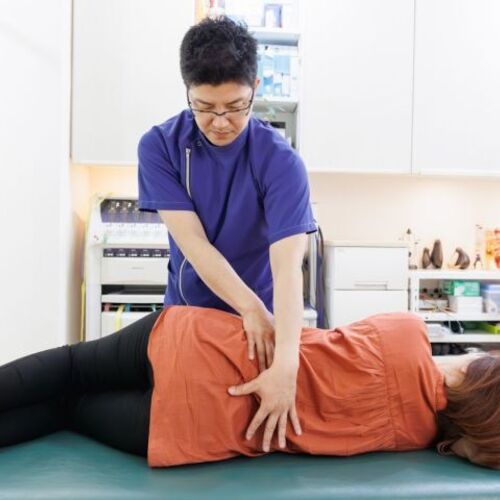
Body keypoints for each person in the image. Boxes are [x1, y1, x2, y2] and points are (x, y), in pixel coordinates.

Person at [0, 306, 498, 470]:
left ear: (477, 373)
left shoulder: (407, 332)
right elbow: (471, 444)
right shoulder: (412, 437)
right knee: (66, 409)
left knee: (69, 366)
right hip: (186, 426)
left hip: (191, 344)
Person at [137, 15, 317, 450]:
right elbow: (194, 245)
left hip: (255, 332)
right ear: (187, 91)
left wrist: (286, 362)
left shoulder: (280, 162)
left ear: (255, 87)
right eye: (204, 107)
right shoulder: (160, 146)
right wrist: (250, 306)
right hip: (186, 319)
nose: (220, 121)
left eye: (236, 106)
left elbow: (288, 269)